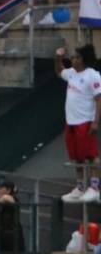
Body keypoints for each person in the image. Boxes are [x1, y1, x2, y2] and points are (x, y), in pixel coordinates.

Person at [53, 46, 101, 203]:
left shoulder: (92, 75)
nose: (73, 60)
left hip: (85, 122)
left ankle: (94, 187)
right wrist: (58, 58)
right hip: (71, 122)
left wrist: (95, 122)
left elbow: (99, 100)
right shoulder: (71, 73)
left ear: (84, 59)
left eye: (76, 57)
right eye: (72, 57)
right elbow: (59, 71)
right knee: (77, 157)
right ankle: (80, 187)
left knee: (91, 156)